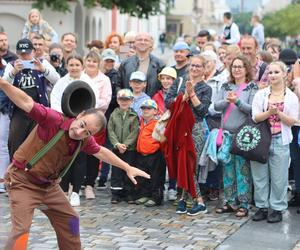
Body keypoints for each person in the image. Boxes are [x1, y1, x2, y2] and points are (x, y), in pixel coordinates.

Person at [0, 75, 150, 250]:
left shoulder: (84, 141)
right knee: (22, 230)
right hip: (23, 182)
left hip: (48, 187)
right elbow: (26, 102)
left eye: (87, 132)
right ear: (80, 114)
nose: (79, 132)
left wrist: (127, 167)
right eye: (82, 124)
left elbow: (102, 152)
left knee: (71, 220)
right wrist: (3, 83)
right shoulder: (53, 119)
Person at [251, 61, 298, 223]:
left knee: (279, 177)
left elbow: (292, 121)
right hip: (262, 140)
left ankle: (277, 208)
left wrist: (278, 112)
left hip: (281, 139)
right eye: (270, 72)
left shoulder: (291, 97)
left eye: (276, 72)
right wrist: (268, 113)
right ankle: (262, 206)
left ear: (284, 74)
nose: (272, 75)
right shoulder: (261, 94)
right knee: (259, 175)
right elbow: (255, 117)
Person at [165, 55, 212, 216]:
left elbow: (203, 110)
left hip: (195, 128)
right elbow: (168, 102)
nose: (194, 68)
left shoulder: (206, 88)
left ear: (204, 69)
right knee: (181, 163)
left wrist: (192, 95)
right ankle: (183, 199)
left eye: (198, 66)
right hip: (179, 127)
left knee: (190, 164)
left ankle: (199, 201)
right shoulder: (179, 82)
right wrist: (182, 97)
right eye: (192, 65)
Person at [50, 54, 98, 206]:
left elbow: (92, 102)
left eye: (77, 65)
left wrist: (81, 119)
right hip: (65, 123)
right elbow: (55, 100)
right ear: (67, 66)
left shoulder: (88, 82)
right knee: (64, 158)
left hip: (82, 123)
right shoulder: (61, 82)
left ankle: (76, 191)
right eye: (71, 65)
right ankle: (64, 191)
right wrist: (64, 118)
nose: (74, 68)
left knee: (79, 158)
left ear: (82, 66)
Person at [214, 55, 258, 217]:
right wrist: (228, 101)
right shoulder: (225, 86)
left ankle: (244, 203)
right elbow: (216, 106)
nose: (237, 69)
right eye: (234, 66)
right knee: (227, 170)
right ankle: (230, 201)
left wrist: (237, 101)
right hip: (226, 135)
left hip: (242, 137)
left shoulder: (252, 87)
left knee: (243, 170)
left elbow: (253, 109)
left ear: (246, 69)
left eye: (240, 66)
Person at [3, 38, 59, 159]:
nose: (25, 57)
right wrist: (13, 72)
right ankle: (16, 171)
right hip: (19, 111)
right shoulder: (11, 65)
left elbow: (57, 80)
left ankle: (34, 174)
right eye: (22, 54)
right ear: (17, 53)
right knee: (15, 142)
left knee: (37, 143)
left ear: (33, 52)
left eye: (27, 53)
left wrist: (43, 70)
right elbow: (4, 85)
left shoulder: (42, 62)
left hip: (39, 110)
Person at [83, 50, 112, 199]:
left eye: (94, 61)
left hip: (96, 120)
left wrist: (89, 103)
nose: (91, 63)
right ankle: (75, 184)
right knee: (78, 153)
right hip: (80, 119)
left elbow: (105, 100)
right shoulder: (80, 76)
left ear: (98, 63)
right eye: (89, 60)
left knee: (93, 152)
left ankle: (89, 184)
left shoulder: (104, 79)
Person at [108, 89, 139, 204]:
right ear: (117, 100)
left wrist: (125, 144)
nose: (124, 102)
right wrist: (117, 144)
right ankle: (116, 194)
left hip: (129, 149)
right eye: (121, 99)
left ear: (131, 101)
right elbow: (110, 130)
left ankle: (129, 193)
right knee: (116, 171)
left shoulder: (134, 116)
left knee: (128, 169)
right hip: (116, 149)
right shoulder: (113, 114)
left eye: (127, 100)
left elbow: (134, 132)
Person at [152, 67, 177, 201]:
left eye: (169, 78)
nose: (166, 81)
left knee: (172, 160)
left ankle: (173, 187)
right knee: (160, 161)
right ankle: (160, 187)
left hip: (172, 131)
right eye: (163, 78)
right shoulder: (157, 96)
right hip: (160, 131)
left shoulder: (177, 93)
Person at [135, 99, 166, 207]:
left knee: (156, 177)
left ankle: (156, 197)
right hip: (141, 154)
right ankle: (145, 194)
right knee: (143, 176)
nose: (145, 110)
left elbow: (162, 139)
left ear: (155, 111)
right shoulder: (141, 122)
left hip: (154, 154)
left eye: (149, 108)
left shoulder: (158, 123)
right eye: (143, 108)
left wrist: (157, 149)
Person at [118, 32, 165, 97]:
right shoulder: (125, 63)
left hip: (151, 104)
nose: (142, 42)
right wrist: (124, 98)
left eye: (146, 40)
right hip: (128, 104)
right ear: (135, 43)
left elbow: (163, 87)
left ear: (151, 44)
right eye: (140, 40)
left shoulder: (159, 64)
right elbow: (119, 84)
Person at [0, 55, 8, 193]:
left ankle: (2, 179)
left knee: (3, 146)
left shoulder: (5, 65)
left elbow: (5, 88)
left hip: (3, 109)